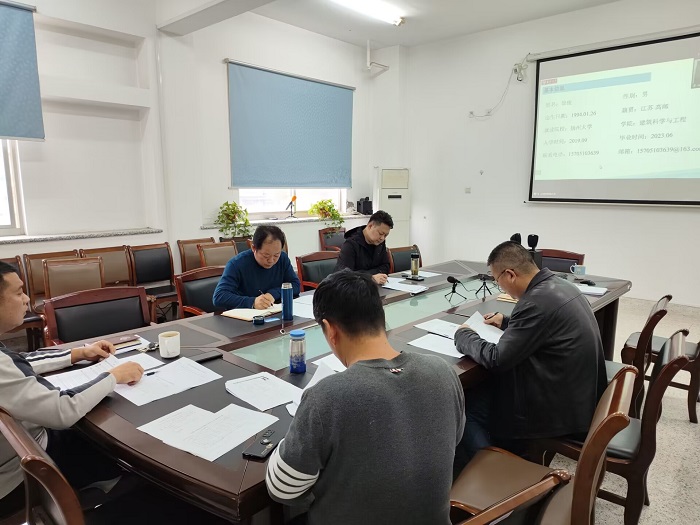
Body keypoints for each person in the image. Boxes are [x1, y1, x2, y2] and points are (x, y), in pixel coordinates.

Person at [266, 271, 465, 525]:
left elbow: (282, 489)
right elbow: (454, 439)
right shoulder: (444, 372)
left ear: (330, 330)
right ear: (381, 317)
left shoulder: (326, 397)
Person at [0, 261, 144, 514]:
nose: (27, 299)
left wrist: (77, 353)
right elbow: (62, 410)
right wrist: (113, 376)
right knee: (127, 450)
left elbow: (20, 362)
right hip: (21, 475)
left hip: (19, 454)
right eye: (19, 292)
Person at [453, 241, 606, 469]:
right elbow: (544, 328)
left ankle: (495, 473)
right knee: (482, 392)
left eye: (497, 281)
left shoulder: (535, 302)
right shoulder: (559, 285)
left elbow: (497, 359)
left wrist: (464, 336)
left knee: (464, 406)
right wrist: (507, 322)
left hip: (558, 410)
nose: (500, 287)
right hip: (578, 395)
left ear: (510, 275)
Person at [212, 225, 300, 310]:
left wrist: (273, 294)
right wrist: (252, 302)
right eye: (266, 255)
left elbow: (295, 285)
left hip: (274, 311)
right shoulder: (236, 264)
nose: (271, 260)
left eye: (276, 255)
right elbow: (219, 297)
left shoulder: (283, 259)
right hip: (246, 316)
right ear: (253, 248)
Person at [334, 210, 393, 285]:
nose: (382, 238)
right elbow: (345, 275)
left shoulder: (380, 242)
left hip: (374, 286)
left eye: (385, 235)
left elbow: (385, 266)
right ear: (370, 226)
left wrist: (368, 275)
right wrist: (370, 277)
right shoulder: (350, 245)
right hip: (353, 289)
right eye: (381, 233)